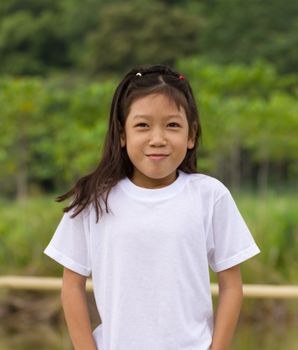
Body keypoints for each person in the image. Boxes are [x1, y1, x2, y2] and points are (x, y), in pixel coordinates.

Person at [44, 64, 260, 350]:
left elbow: (232, 286)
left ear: (191, 134)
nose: (158, 139)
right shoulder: (94, 199)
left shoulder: (210, 196)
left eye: (172, 125)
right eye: (143, 125)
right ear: (122, 134)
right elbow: (72, 287)